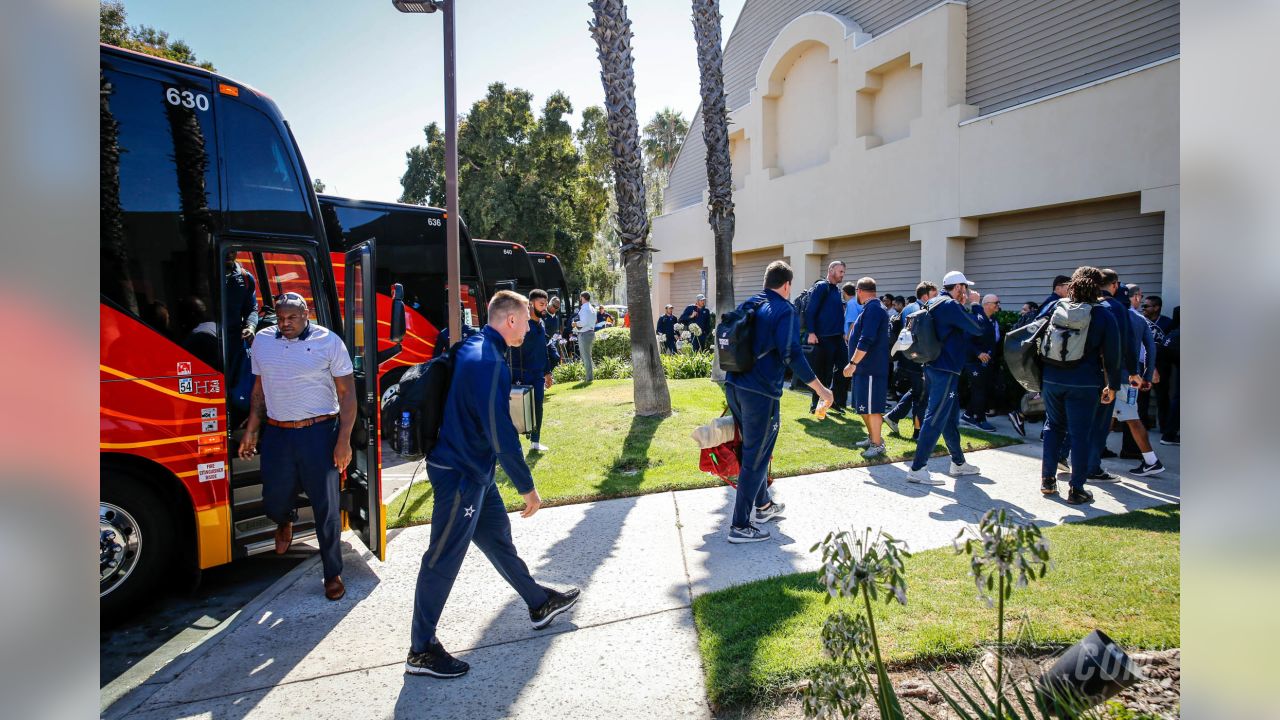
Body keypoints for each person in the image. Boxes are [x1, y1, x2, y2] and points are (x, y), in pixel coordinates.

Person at [405, 291, 580, 679]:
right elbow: (500, 432)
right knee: (443, 557)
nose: (531, 329)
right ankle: (420, 650)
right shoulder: (490, 362)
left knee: (498, 538)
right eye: (528, 322)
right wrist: (526, 486)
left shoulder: (475, 344)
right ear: (512, 320)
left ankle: (538, 603)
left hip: (475, 471)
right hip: (460, 474)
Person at [237, 292, 355, 601]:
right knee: (274, 495)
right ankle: (285, 519)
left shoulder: (328, 342)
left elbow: (347, 395)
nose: (286, 323)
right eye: (281, 318)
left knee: (325, 507)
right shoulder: (262, 341)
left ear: (306, 315)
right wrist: (252, 428)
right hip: (278, 433)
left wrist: (344, 440)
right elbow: (259, 390)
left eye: (292, 317)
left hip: (319, 432)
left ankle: (332, 572)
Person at [724, 261, 832, 544]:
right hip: (760, 393)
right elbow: (792, 355)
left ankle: (764, 506)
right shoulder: (785, 309)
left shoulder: (753, 302)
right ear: (787, 285)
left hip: (733, 385)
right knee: (755, 456)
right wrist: (822, 391)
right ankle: (739, 526)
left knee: (752, 451)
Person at [1038, 266, 1123, 504]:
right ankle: (1077, 489)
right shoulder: (1104, 314)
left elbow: (1032, 334)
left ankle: (1047, 480)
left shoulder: (1056, 307)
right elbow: (1113, 354)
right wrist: (1112, 386)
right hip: (1085, 383)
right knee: (1080, 435)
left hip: (1052, 379)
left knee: (1053, 427)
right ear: (1098, 286)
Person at [905, 271, 986, 485]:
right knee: (936, 417)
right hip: (946, 368)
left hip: (932, 365)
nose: (966, 292)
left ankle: (958, 463)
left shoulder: (934, 302)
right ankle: (918, 468)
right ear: (957, 287)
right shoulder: (950, 305)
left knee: (948, 417)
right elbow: (977, 328)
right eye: (964, 287)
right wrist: (976, 306)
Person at [1084, 269, 1139, 480]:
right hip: (1105, 374)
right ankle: (1092, 467)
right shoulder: (1116, 307)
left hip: (1081, 372)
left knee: (1083, 421)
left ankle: (1071, 460)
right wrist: (1133, 372)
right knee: (1100, 422)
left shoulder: (1085, 304)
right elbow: (1127, 344)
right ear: (1114, 285)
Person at [842, 277, 891, 459]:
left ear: (860, 291)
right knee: (863, 407)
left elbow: (867, 339)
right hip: (864, 369)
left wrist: (853, 363)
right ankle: (872, 437)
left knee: (872, 408)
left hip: (870, 369)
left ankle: (878, 445)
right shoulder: (870, 308)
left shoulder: (874, 309)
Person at [885, 281, 938, 440]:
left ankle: (893, 417)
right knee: (921, 397)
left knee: (916, 392)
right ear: (925, 296)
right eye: (934, 296)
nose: (936, 299)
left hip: (906, 359)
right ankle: (918, 432)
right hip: (917, 359)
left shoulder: (908, 308)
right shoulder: (922, 309)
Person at [511, 289, 559, 453]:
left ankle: (535, 442)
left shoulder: (542, 323)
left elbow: (543, 350)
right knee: (517, 408)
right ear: (531, 304)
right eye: (541, 304)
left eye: (546, 304)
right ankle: (514, 445)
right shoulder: (522, 324)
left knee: (538, 407)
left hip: (538, 374)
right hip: (521, 373)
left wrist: (547, 373)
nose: (545, 307)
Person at [804, 261, 848, 413]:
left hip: (837, 337)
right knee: (823, 372)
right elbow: (810, 310)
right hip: (823, 336)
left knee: (844, 367)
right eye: (841, 271)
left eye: (843, 272)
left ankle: (831, 399)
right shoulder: (822, 286)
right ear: (831, 270)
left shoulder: (836, 290)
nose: (843, 274)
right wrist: (811, 332)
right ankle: (815, 403)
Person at [960, 294, 1001, 432]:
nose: (998, 305)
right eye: (996, 303)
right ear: (987, 304)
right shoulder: (976, 318)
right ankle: (980, 419)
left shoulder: (992, 320)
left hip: (987, 362)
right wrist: (978, 353)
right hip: (974, 362)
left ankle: (968, 415)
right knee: (979, 389)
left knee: (982, 388)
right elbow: (966, 340)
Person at [574, 291, 597, 382]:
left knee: (585, 357)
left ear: (582, 298)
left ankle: (589, 378)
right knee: (588, 356)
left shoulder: (584, 308)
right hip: (591, 332)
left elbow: (583, 323)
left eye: (580, 298)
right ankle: (591, 375)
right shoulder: (592, 308)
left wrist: (575, 323)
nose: (580, 299)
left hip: (584, 334)